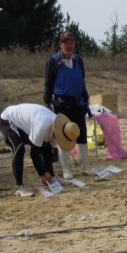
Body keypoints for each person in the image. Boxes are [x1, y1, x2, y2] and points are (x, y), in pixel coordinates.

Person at [0, 103, 80, 197]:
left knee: (45, 146)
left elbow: (48, 149)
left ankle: (53, 178)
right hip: (8, 120)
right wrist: (42, 174)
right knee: (19, 148)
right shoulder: (43, 126)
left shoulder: (58, 125)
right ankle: (19, 187)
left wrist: (48, 172)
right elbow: (34, 153)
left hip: (25, 123)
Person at [43, 31, 91, 179]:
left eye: (72, 42)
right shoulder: (53, 62)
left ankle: (85, 167)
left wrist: (86, 99)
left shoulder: (78, 60)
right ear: (61, 44)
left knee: (81, 135)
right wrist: (47, 102)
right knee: (63, 137)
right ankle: (66, 170)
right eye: (66, 42)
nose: (69, 46)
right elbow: (48, 84)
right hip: (61, 105)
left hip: (78, 103)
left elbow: (81, 81)